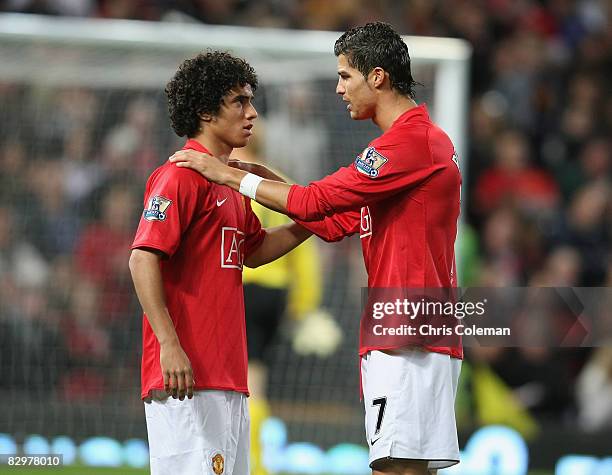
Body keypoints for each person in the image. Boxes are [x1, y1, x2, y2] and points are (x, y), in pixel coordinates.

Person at [169, 23, 463, 475]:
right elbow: (329, 220)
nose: (339, 88)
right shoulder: (415, 147)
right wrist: (263, 176)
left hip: (405, 327)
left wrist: (232, 177)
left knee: (395, 468)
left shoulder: (407, 144)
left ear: (378, 77)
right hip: (417, 326)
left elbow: (314, 202)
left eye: (346, 76)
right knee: (407, 468)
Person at [129, 51, 313, 475]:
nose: (252, 113)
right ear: (206, 112)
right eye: (240, 102)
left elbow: (253, 250)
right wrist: (169, 346)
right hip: (184, 376)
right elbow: (142, 259)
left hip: (228, 374)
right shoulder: (178, 176)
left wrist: (308, 224)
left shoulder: (230, 182)